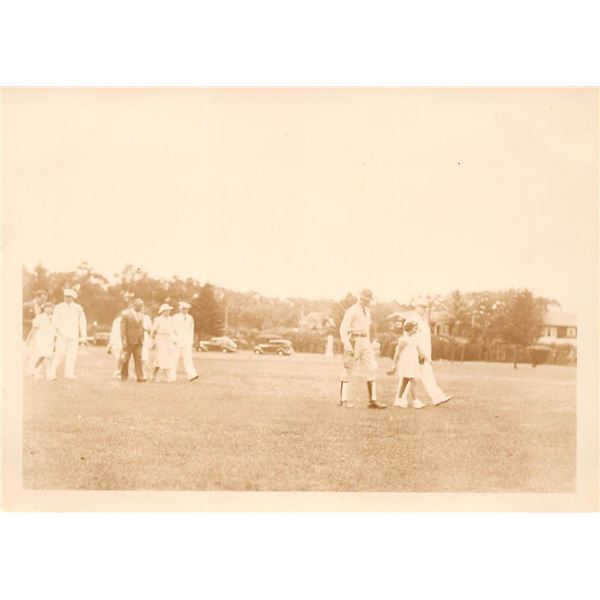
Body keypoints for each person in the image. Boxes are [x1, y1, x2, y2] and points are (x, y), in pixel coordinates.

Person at [395, 299, 452, 407]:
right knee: (407, 376)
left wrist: (425, 355)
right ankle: (400, 399)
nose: (424, 310)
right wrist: (418, 354)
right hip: (413, 353)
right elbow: (408, 337)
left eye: (425, 308)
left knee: (426, 376)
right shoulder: (411, 320)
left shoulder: (423, 320)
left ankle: (437, 397)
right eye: (421, 307)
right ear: (416, 307)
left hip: (423, 353)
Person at [338, 289, 386, 409]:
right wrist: (347, 345)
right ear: (360, 298)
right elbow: (343, 329)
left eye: (368, 300)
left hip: (365, 341)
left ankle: (372, 400)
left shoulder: (367, 311)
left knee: (373, 367)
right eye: (365, 299)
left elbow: (367, 329)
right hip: (354, 340)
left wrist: (368, 343)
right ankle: (343, 400)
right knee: (348, 369)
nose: (367, 302)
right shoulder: (351, 311)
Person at [48, 289, 87, 380]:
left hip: (73, 334)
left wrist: (83, 336)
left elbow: (82, 322)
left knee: (72, 354)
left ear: (73, 298)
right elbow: (55, 321)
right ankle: (51, 372)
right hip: (61, 334)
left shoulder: (78, 308)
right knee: (60, 353)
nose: (67, 298)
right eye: (65, 296)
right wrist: (57, 332)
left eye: (69, 297)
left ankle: (69, 373)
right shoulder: (59, 307)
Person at [387, 321, 427, 408]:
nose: (416, 330)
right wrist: (394, 365)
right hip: (406, 363)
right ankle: (416, 402)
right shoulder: (403, 340)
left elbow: (419, 349)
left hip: (412, 363)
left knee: (405, 381)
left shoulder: (414, 339)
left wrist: (427, 358)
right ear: (410, 329)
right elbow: (397, 353)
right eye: (415, 328)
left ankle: (398, 400)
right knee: (413, 380)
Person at [25, 302, 56, 379]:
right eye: (47, 308)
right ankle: (34, 371)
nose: (49, 309)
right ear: (44, 309)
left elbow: (55, 330)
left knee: (48, 356)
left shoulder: (54, 318)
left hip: (50, 339)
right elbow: (34, 329)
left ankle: (47, 374)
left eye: (50, 308)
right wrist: (29, 340)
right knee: (41, 355)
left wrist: (55, 340)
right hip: (41, 339)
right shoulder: (39, 317)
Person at [120, 298, 147, 382]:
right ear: (134, 305)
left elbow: (140, 327)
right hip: (129, 340)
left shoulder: (141, 315)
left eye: (142, 306)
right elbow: (123, 329)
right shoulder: (126, 315)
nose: (141, 308)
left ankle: (140, 377)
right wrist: (124, 340)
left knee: (139, 358)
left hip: (139, 340)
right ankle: (124, 375)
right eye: (140, 306)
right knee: (126, 358)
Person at [171, 301, 199, 382]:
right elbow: (172, 330)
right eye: (183, 309)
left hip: (187, 342)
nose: (185, 310)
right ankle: (172, 377)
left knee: (188, 359)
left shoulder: (190, 318)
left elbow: (191, 330)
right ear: (180, 309)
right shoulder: (175, 317)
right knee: (174, 359)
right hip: (177, 341)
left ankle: (192, 375)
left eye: (186, 309)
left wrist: (191, 340)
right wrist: (174, 339)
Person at [23, 290, 49, 375]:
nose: (43, 301)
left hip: (40, 334)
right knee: (25, 353)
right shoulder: (26, 306)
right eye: (42, 299)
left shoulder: (44, 308)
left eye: (45, 300)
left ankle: (32, 371)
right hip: (28, 333)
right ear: (37, 297)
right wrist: (32, 321)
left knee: (37, 354)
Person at [151, 304, 175, 382]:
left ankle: (153, 375)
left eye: (169, 310)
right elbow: (153, 330)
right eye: (167, 310)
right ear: (163, 311)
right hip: (160, 338)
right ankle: (168, 376)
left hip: (168, 339)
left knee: (160, 359)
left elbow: (174, 330)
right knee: (164, 357)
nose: (168, 312)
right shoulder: (158, 319)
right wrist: (152, 340)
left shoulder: (172, 319)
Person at [108, 313, 124, 378]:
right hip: (117, 341)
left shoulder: (124, 321)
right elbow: (113, 332)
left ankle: (119, 371)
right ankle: (116, 372)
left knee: (122, 358)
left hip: (122, 341)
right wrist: (110, 344)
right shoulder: (117, 321)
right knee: (118, 357)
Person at [141, 309, 153, 380]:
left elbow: (150, 329)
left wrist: (145, 329)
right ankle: (137, 372)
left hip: (145, 337)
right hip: (136, 337)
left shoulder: (147, 318)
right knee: (138, 356)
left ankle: (143, 373)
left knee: (145, 357)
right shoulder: (135, 316)